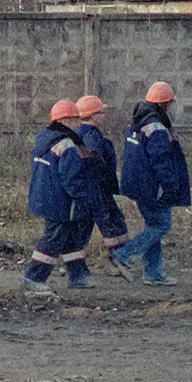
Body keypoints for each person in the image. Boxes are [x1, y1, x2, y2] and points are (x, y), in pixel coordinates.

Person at [114, 81, 191, 285]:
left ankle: (153, 274)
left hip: (138, 186)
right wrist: (170, 186)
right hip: (153, 188)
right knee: (161, 225)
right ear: (167, 103)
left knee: (153, 226)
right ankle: (123, 255)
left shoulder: (137, 123)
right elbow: (161, 161)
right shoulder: (156, 128)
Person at [24, 99, 105, 293]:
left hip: (43, 197)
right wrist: (83, 198)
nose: (79, 123)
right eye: (76, 119)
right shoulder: (68, 144)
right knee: (54, 238)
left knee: (70, 237)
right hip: (60, 202)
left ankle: (77, 276)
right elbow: (71, 178)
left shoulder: (44, 139)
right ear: (66, 120)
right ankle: (33, 277)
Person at [73, 95, 132, 275]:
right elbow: (94, 162)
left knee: (83, 227)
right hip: (98, 189)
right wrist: (104, 180)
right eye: (102, 112)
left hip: (86, 190)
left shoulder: (77, 133)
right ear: (93, 115)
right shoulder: (92, 135)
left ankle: (73, 266)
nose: (105, 115)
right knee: (114, 224)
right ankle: (119, 262)